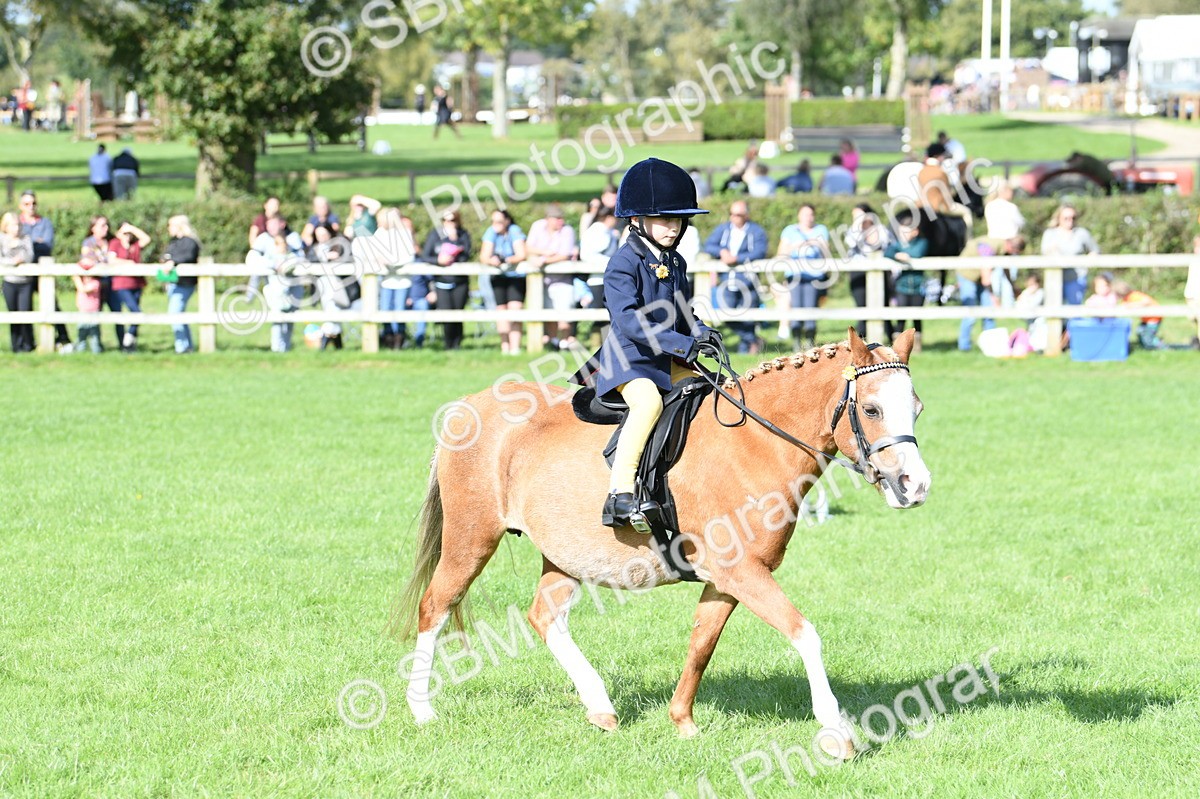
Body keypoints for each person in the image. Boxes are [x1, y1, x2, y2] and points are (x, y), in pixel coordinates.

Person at [570, 157, 717, 529]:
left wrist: (701, 333)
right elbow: (630, 322)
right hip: (629, 360)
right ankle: (620, 495)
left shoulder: (676, 263)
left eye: (678, 220)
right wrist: (682, 345)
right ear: (636, 221)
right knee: (648, 402)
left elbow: (682, 311)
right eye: (665, 219)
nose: (673, 227)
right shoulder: (622, 264)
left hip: (667, 356)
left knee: (711, 392)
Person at [703, 200, 768, 355]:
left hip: (748, 280)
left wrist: (737, 258)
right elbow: (709, 245)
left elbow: (760, 251)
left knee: (748, 317)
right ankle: (753, 340)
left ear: (746, 215)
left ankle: (745, 351)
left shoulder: (756, 231)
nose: (734, 217)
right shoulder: (723, 229)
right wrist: (722, 252)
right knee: (726, 315)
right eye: (732, 214)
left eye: (738, 214)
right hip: (727, 280)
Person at [16, 190, 70, 350]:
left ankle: (64, 338)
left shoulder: (44, 222)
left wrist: (26, 245)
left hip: (42, 269)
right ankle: (28, 342)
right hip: (24, 272)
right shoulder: (17, 222)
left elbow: (46, 245)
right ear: (21, 206)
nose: (31, 207)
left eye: (33, 203)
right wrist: (32, 244)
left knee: (52, 304)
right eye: (27, 204)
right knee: (26, 307)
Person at [525, 204, 578, 349]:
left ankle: (565, 341)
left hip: (562, 279)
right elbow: (528, 248)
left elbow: (564, 255)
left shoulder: (567, 231)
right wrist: (546, 252)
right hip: (542, 280)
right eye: (557, 219)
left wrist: (542, 259)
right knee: (548, 311)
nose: (561, 222)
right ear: (548, 219)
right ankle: (554, 341)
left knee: (565, 311)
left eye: (562, 218)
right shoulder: (538, 227)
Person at [777, 203, 830, 349]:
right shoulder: (790, 231)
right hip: (794, 276)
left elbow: (827, 252)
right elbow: (780, 254)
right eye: (805, 214)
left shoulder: (821, 230)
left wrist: (816, 244)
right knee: (795, 310)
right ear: (799, 215)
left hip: (813, 277)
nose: (808, 218)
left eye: (811, 214)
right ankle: (796, 344)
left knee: (810, 310)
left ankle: (810, 344)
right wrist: (795, 246)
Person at [365, 207, 418, 350]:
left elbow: (409, 256)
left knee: (399, 310)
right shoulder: (380, 234)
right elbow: (372, 253)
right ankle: (387, 339)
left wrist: (391, 261)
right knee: (385, 309)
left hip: (402, 280)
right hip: (386, 280)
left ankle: (399, 341)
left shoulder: (404, 234)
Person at [419, 209, 472, 350]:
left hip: (460, 282)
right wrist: (439, 260)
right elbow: (425, 256)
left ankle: (457, 344)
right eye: (446, 220)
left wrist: (453, 240)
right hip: (442, 281)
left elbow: (466, 255)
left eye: (452, 220)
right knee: (446, 314)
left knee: (458, 314)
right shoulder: (435, 235)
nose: (449, 223)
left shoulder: (463, 235)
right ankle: (448, 344)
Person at [479, 209, 528, 355]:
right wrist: (491, 260)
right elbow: (484, 256)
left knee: (515, 310)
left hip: (515, 276)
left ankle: (515, 347)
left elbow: (521, 254)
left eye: (499, 221)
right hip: (498, 276)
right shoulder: (491, 232)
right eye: (493, 222)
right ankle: (504, 347)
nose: (496, 225)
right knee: (501, 311)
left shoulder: (514, 230)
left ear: (507, 221)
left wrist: (506, 260)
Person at [844, 203, 892, 339]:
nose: (858, 219)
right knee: (862, 307)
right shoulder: (853, 231)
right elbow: (852, 242)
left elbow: (884, 244)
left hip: (880, 273)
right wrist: (858, 226)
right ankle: (861, 341)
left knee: (884, 305)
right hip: (858, 272)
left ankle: (889, 339)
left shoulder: (880, 229)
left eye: (860, 215)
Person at [884, 210, 929, 353]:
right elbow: (888, 252)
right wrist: (898, 255)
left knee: (916, 317)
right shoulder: (898, 245)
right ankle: (898, 346)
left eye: (906, 231)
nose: (902, 235)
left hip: (917, 286)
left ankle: (916, 346)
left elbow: (918, 253)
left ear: (914, 232)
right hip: (902, 286)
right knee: (901, 317)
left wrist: (906, 255)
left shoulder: (922, 242)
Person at [1040, 204, 1099, 304]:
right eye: (1066, 218)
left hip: (1077, 277)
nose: (1070, 220)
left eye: (1073, 217)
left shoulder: (1081, 233)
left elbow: (1094, 250)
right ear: (1059, 218)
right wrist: (1052, 251)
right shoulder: (1050, 234)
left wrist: (1087, 263)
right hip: (1055, 277)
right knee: (1053, 308)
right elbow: (1044, 252)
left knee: (1074, 308)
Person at [108, 220, 152, 352]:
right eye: (124, 232)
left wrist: (132, 228)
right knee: (135, 312)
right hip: (121, 284)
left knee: (135, 312)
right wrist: (128, 263)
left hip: (136, 283)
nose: (127, 235)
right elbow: (112, 260)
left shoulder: (135, 245)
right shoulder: (115, 244)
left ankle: (130, 342)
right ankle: (126, 340)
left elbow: (146, 239)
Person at [159, 215, 202, 353]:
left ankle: (181, 347)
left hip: (184, 284)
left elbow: (187, 256)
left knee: (174, 313)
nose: (168, 229)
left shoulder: (190, 242)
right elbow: (166, 255)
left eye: (170, 225)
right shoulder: (174, 242)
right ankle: (187, 346)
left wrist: (173, 261)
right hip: (174, 283)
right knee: (178, 314)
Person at [1, 212, 34, 352]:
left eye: (18, 225)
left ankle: (29, 344)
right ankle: (16, 346)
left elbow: (29, 256)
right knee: (13, 314)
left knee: (25, 312)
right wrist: (12, 262)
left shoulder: (25, 238)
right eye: (13, 225)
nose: (16, 228)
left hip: (25, 281)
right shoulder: (2, 239)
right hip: (9, 281)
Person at [1113, 280, 1164, 350]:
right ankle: (1144, 346)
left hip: (1153, 318)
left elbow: (1147, 301)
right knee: (1140, 331)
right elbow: (1123, 307)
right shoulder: (1126, 299)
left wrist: (1132, 305)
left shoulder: (1134, 296)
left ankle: (1160, 346)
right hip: (1146, 319)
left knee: (1148, 336)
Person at [72, 260, 103, 354]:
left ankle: (96, 351)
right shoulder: (83, 281)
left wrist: (76, 279)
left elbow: (83, 289)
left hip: (93, 311)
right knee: (81, 333)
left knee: (94, 335)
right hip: (82, 310)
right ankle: (80, 352)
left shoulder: (95, 283)